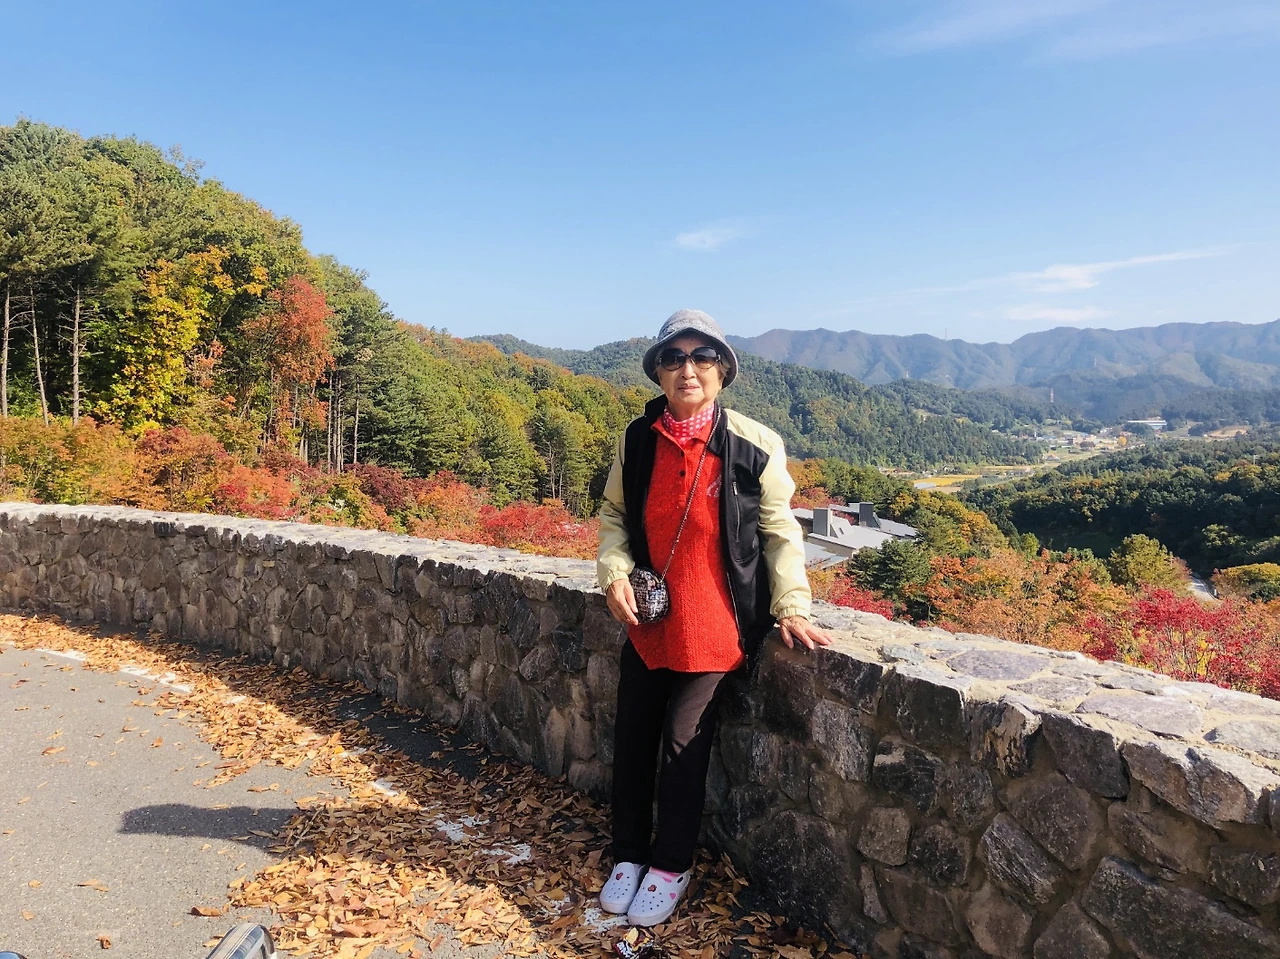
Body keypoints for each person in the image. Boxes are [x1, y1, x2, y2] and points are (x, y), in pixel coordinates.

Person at [595, 308, 831, 927]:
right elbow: (614, 516)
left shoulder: (755, 445)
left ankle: (670, 866)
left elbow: (780, 533)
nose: (688, 369)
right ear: (658, 372)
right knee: (632, 736)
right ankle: (628, 854)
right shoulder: (636, 439)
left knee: (683, 743)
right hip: (649, 621)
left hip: (718, 626)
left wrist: (791, 605)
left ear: (723, 370)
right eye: (674, 358)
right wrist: (613, 571)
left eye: (702, 358)